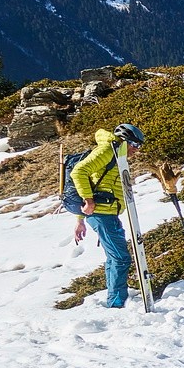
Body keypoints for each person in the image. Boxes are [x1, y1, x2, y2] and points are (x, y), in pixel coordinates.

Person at [71, 123, 145, 308]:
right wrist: (88, 201)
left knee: (115, 258)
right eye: (135, 145)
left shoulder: (118, 154)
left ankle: (115, 300)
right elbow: (79, 171)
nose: (137, 150)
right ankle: (116, 303)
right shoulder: (107, 150)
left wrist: (80, 220)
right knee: (121, 258)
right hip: (101, 214)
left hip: (108, 214)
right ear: (125, 140)